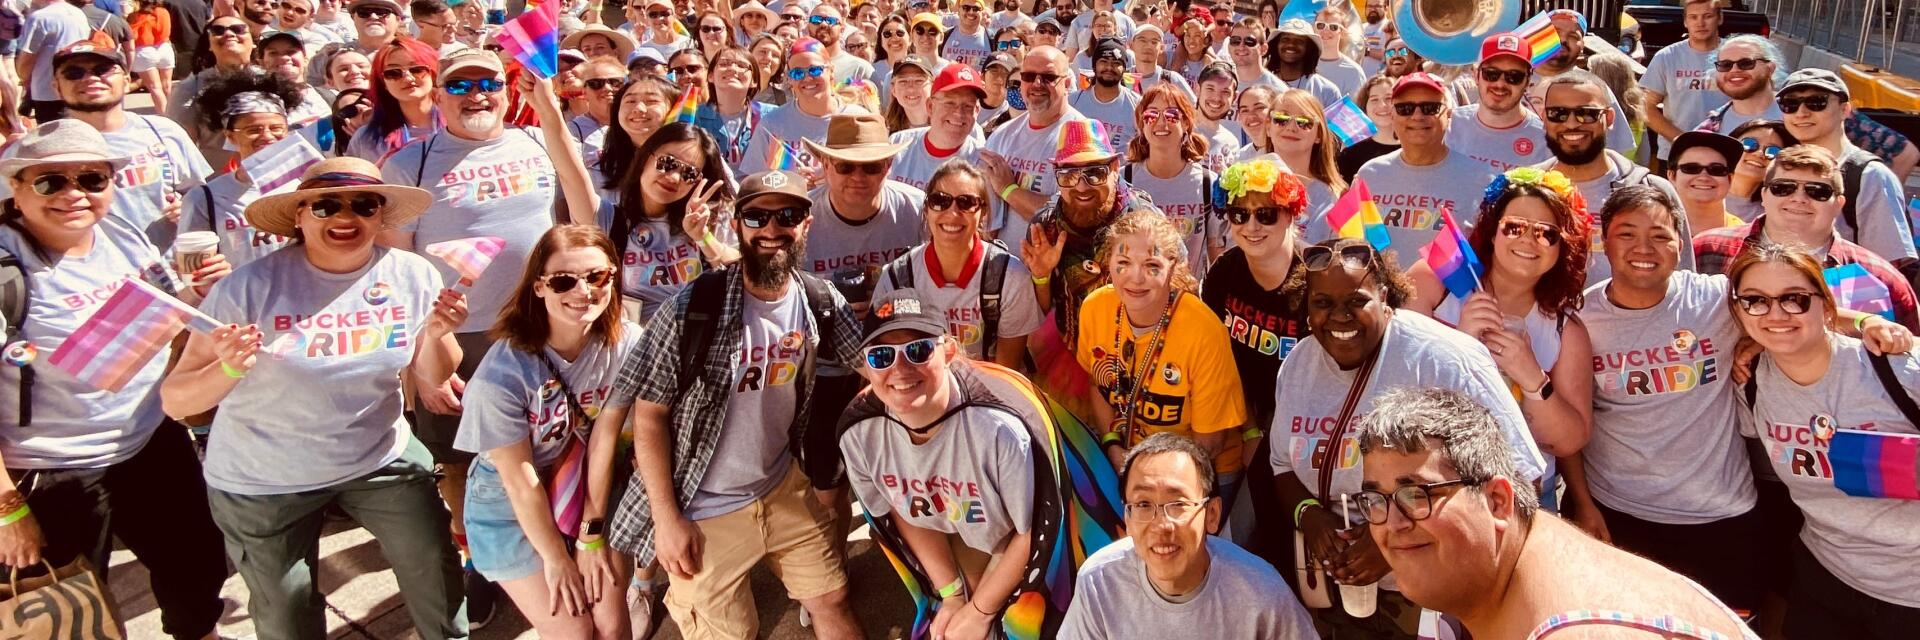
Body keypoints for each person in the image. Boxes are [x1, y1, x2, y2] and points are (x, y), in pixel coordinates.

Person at [160, 154, 468, 640]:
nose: (346, 217)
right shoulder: (248, 287)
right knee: (287, 617)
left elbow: (435, 371)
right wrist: (228, 368)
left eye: (364, 205)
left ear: (380, 216)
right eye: (326, 206)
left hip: (377, 458)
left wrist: (434, 337)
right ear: (299, 216)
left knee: (436, 570)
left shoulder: (412, 274)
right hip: (264, 479)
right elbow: (177, 402)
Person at [591, 169, 865, 639]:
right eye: (757, 217)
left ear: (807, 223)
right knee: (730, 632)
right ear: (737, 224)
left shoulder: (818, 298)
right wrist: (667, 519)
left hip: (779, 484)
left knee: (831, 598)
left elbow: (874, 366)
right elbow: (650, 416)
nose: (771, 230)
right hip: (702, 502)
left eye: (787, 215)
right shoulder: (693, 307)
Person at [381, 47, 598, 628]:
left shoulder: (533, 145)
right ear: (438, 94)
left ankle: (551, 543)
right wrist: (417, 366)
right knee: (459, 462)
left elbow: (584, 212)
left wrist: (551, 118)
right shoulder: (409, 165)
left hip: (540, 327)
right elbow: (395, 273)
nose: (476, 94)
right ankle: (480, 561)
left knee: (547, 450)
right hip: (458, 338)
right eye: (460, 85)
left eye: (488, 82)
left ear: (506, 90)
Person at [0, 120, 228, 640]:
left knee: (196, 563)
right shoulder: (7, 270)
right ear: (16, 186)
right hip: (52, 470)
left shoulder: (120, 233)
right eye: (50, 182)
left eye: (92, 179)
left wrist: (194, 293)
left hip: (148, 441)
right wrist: (7, 511)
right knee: (66, 610)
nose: (73, 194)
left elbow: (158, 308)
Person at [1270, 237, 1547, 637]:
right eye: (1323, 304)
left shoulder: (1445, 360)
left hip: (1438, 600)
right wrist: (1310, 517)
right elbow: (1281, 467)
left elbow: (1520, 479)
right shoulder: (1298, 366)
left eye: (1356, 301)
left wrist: (1395, 539)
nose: (1340, 317)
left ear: (1385, 296)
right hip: (1339, 594)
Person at [1353, 387, 1759, 640]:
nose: (1393, 523)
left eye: (1416, 494)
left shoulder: (1578, 629)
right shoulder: (1471, 569)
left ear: (1497, 500)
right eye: (1376, 500)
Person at [451, 225, 639, 638]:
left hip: (585, 484)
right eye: (564, 280)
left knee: (612, 625)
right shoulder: (501, 377)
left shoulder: (624, 343)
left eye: (596, 276)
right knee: (576, 632)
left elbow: (606, 437)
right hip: (509, 503)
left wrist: (590, 538)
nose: (583, 290)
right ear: (539, 288)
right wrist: (557, 557)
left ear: (613, 274)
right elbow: (520, 482)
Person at [1727, 242, 1920, 640]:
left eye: (1795, 299)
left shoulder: (1897, 368)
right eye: (1755, 301)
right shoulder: (1751, 384)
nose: (1776, 314)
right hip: (1826, 581)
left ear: (1825, 305)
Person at [838, 288, 1040, 640]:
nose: (900, 370)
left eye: (917, 350)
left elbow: (1030, 532)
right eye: (881, 356)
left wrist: (979, 611)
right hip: (944, 532)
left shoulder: (997, 430)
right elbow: (902, 508)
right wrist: (951, 594)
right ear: (865, 364)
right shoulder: (859, 434)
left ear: (948, 351)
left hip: (1009, 539)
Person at [1408, 167, 1598, 507]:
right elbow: (1393, 377)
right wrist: (1461, 345)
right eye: (1513, 227)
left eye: (1546, 233)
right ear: (1493, 232)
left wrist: (1532, 378)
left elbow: (1569, 441)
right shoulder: (1436, 282)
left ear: (1561, 247)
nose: (1527, 240)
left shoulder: (1565, 330)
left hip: (1524, 494)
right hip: (1437, 489)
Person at [1059, 433, 1321, 639]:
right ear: (1126, 518)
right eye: (1143, 505)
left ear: (1212, 514)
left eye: (1178, 504)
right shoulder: (1100, 581)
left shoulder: (1261, 594)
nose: (1161, 525)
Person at [1075, 208, 1248, 495]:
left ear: (1173, 265)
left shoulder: (1203, 330)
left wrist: (1144, 477)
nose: (1136, 278)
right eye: (1124, 262)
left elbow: (1209, 444)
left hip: (1199, 469)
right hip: (1123, 457)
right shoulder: (1095, 307)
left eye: (1151, 265)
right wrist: (1112, 444)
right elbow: (1098, 383)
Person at [1197, 158, 1309, 564]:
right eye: (1239, 214)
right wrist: (1247, 431)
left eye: (1265, 214)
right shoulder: (1225, 272)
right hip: (1238, 415)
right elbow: (1214, 358)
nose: (1251, 226)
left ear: (1291, 213)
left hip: (1298, 424)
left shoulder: (1314, 279)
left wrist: (1266, 436)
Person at [1692, 145, 1918, 331]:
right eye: (1783, 188)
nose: (1798, 198)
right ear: (1764, 195)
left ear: (1838, 204)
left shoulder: (1878, 276)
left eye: (1817, 191)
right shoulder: (1705, 249)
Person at [35, 40, 209, 253]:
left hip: (169, 271)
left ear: (127, 81)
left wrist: (187, 206)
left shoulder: (164, 131)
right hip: (92, 277)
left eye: (102, 70)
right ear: (56, 87)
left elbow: (199, 193)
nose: (90, 78)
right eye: (74, 73)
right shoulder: (40, 148)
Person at [874, 161, 1042, 370]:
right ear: (926, 209)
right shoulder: (897, 277)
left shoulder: (1009, 277)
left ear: (983, 212)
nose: (952, 213)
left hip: (987, 394)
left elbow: (1006, 373)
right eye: (940, 200)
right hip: (916, 391)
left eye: (966, 202)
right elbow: (885, 361)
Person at [1535, 70, 1692, 283]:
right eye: (1558, 113)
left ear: (1608, 118)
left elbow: (1683, 279)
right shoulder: (1523, 188)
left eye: (1586, 113)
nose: (1571, 124)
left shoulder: (1651, 189)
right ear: (1544, 118)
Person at [1772, 69, 1918, 263]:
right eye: (1790, 104)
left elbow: (1887, 265)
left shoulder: (1869, 175)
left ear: (1845, 110)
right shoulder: (1777, 166)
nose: (1802, 112)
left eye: (1817, 103)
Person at [1356, 72, 1498, 270]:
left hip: (1452, 298)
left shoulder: (1483, 180)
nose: (1417, 116)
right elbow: (1354, 244)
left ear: (1448, 116)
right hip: (1382, 297)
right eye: (1405, 108)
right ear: (1393, 115)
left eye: (1430, 108)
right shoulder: (1369, 174)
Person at [602, 122, 737, 320]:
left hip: (688, 341)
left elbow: (744, 273)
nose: (674, 177)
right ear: (645, 157)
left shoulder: (709, 218)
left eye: (689, 174)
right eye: (667, 163)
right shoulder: (609, 218)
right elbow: (568, 171)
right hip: (630, 342)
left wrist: (703, 238)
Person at [179, 67, 299, 271]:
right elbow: (191, 270)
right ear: (230, 136)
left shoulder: (307, 186)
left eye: (276, 128)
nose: (267, 136)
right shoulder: (204, 198)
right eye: (253, 130)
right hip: (238, 299)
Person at [980, 45, 1088, 247]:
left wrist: (1008, 189)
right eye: (1029, 76)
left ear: (1067, 83)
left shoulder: (1082, 136)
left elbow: (1072, 218)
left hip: (1055, 273)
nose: (1037, 84)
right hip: (1003, 270)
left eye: (1048, 77)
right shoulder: (1001, 135)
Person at [1124, 84, 1218, 278]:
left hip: (1188, 296)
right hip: (1138, 293)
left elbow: (1216, 253)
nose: (1160, 122)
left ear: (1186, 123)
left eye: (1171, 115)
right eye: (1151, 115)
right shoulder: (1125, 181)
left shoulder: (1208, 183)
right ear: (1141, 124)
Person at [738, 38, 867, 175]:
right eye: (797, 73)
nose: (807, 78)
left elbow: (875, 175)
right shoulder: (772, 124)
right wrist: (791, 183)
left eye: (815, 70)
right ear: (790, 79)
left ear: (831, 72)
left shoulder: (858, 119)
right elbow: (754, 180)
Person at [1447, 33, 1547, 174]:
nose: (1500, 84)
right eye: (1491, 74)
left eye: (1514, 77)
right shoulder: (1451, 125)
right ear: (1476, 75)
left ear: (1528, 81)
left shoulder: (1544, 139)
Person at [887, 63, 986, 192]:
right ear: (930, 107)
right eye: (949, 103)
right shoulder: (898, 144)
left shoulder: (984, 164)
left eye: (968, 106)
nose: (959, 113)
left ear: (977, 111)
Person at [1640, 0, 1722, 151]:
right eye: (1693, 17)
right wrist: (1681, 140)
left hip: (1726, 150)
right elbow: (1646, 106)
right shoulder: (1667, 57)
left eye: (1708, 16)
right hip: (1675, 151)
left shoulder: (1733, 56)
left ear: (1720, 18)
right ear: (1685, 21)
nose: (1700, 23)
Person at [1268, 89, 1346, 241]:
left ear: (1319, 134)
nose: (1291, 127)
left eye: (1304, 122)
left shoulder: (1339, 197)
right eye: (1281, 119)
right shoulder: (1245, 185)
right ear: (1267, 127)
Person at [346, 37, 440, 162]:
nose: (408, 78)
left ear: (433, 74)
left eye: (417, 69)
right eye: (393, 73)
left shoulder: (459, 126)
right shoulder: (366, 139)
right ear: (383, 83)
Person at [696, 45, 773, 170]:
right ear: (710, 76)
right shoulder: (693, 118)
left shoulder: (771, 116)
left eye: (742, 66)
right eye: (724, 64)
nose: (732, 69)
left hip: (758, 187)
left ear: (754, 80)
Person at [1693, 34, 1783, 137]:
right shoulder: (1707, 132)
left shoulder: (1800, 116)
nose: (1734, 70)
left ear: (1770, 69)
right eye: (1725, 65)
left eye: (1746, 63)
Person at [16, 0, 90, 122]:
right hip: (76, 86)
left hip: (46, 91)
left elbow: (27, 59)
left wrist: (23, 78)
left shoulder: (39, 18)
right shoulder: (78, 14)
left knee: (52, 136)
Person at [1667, 130, 1746, 236]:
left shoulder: (1745, 238)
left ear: (1730, 179)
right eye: (1691, 168)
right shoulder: (1651, 227)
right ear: (1672, 176)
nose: (1704, 177)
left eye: (1716, 169)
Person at [1725, 118, 1797, 220]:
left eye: (1773, 151)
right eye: (1749, 144)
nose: (1759, 153)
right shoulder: (1700, 192)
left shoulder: (1775, 214)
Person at [1337, 74, 1398, 182]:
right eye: (1374, 99)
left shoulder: (1414, 149)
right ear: (1365, 107)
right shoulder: (1350, 155)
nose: (1383, 105)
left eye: (1389, 98)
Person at [1264, 20, 1339, 108]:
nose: (1291, 44)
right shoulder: (1262, 85)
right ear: (1276, 44)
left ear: (1309, 48)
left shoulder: (1327, 91)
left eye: (1299, 41)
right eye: (1285, 39)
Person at [127, 0, 174, 114]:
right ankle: (174, 113)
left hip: (144, 50)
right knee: (167, 85)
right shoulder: (164, 12)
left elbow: (132, 35)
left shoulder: (135, 16)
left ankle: (165, 116)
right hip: (164, 47)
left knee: (155, 88)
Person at [809, 3, 872, 83]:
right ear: (808, 26)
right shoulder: (797, 66)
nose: (823, 24)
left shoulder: (860, 68)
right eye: (816, 19)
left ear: (842, 29)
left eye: (830, 21)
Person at [1309, 6, 1364, 95]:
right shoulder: (1302, 65)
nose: (1326, 31)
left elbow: (1354, 107)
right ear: (1314, 29)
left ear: (1342, 32)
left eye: (1333, 27)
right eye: (1320, 25)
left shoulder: (1354, 72)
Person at [882, 55, 933, 132]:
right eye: (903, 81)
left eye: (918, 81)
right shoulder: (885, 133)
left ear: (932, 86)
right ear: (893, 89)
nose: (911, 88)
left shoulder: (949, 126)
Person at [1226, 19, 1280, 91]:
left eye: (1249, 41)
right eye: (1235, 41)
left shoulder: (1277, 91)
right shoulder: (1218, 83)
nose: (1241, 46)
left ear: (1263, 49)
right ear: (1229, 47)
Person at [941, 0, 992, 68]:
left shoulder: (992, 39)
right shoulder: (944, 37)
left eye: (976, 9)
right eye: (966, 8)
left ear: (982, 13)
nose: (971, 12)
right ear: (959, 11)